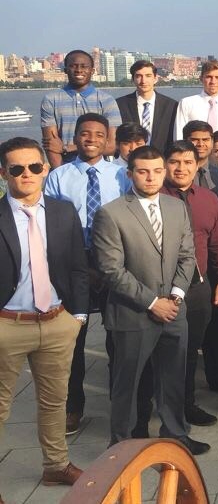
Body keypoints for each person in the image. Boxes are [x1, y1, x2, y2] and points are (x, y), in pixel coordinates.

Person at [92, 145, 208, 454]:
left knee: (173, 378)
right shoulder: (111, 213)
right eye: (143, 171)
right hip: (133, 314)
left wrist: (175, 296)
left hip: (174, 310)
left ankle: (176, 434)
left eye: (157, 171)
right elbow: (111, 270)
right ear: (130, 174)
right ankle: (121, 444)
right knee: (127, 385)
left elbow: (187, 256)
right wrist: (151, 303)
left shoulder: (175, 207)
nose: (151, 177)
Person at [0, 137, 88, 490]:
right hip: (8, 324)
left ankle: (56, 465)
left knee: (55, 401)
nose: (27, 175)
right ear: (3, 172)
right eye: (17, 169)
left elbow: (79, 267)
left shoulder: (64, 211)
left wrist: (77, 317)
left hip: (56, 322)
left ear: (45, 169)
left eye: (34, 167)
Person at [43, 112, 130, 436]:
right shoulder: (59, 176)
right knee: (73, 340)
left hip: (113, 262)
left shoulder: (121, 175)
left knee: (117, 339)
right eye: (84, 134)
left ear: (107, 139)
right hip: (73, 263)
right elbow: (51, 226)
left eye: (97, 134)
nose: (91, 139)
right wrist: (81, 265)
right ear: (75, 138)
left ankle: (119, 405)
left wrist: (109, 265)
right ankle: (73, 406)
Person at [156, 140, 218, 430]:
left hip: (199, 286)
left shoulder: (208, 199)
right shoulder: (153, 197)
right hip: (161, 288)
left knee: (190, 350)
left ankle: (186, 404)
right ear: (165, 165)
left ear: (197, 164)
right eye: (175, 162)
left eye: (188, 162)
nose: (182, 168)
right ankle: (158, 409)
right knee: (162, 353)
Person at [41, 49, 122, 168]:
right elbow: (51, 146)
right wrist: (62, 174)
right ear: (65, 70)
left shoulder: (107, 101)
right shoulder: (51, 100)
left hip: (99, 169)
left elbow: (112, 146)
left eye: (84, 66)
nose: (79, 70)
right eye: (73, 66)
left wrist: (66, 148)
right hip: (65, 167)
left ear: (92, 71)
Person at [116, 60, 177, 151]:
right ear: (133, 79)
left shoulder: (171, 106)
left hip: (160, 160)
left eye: (148, 76)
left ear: (155, 78)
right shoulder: (119, 104)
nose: (143, 81)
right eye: (138, 76)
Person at [183, 121, 218, 198]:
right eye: (195, 139)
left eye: (205, 139)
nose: (200, 144)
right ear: (185, 141)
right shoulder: (177, 174)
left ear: (212, 142)